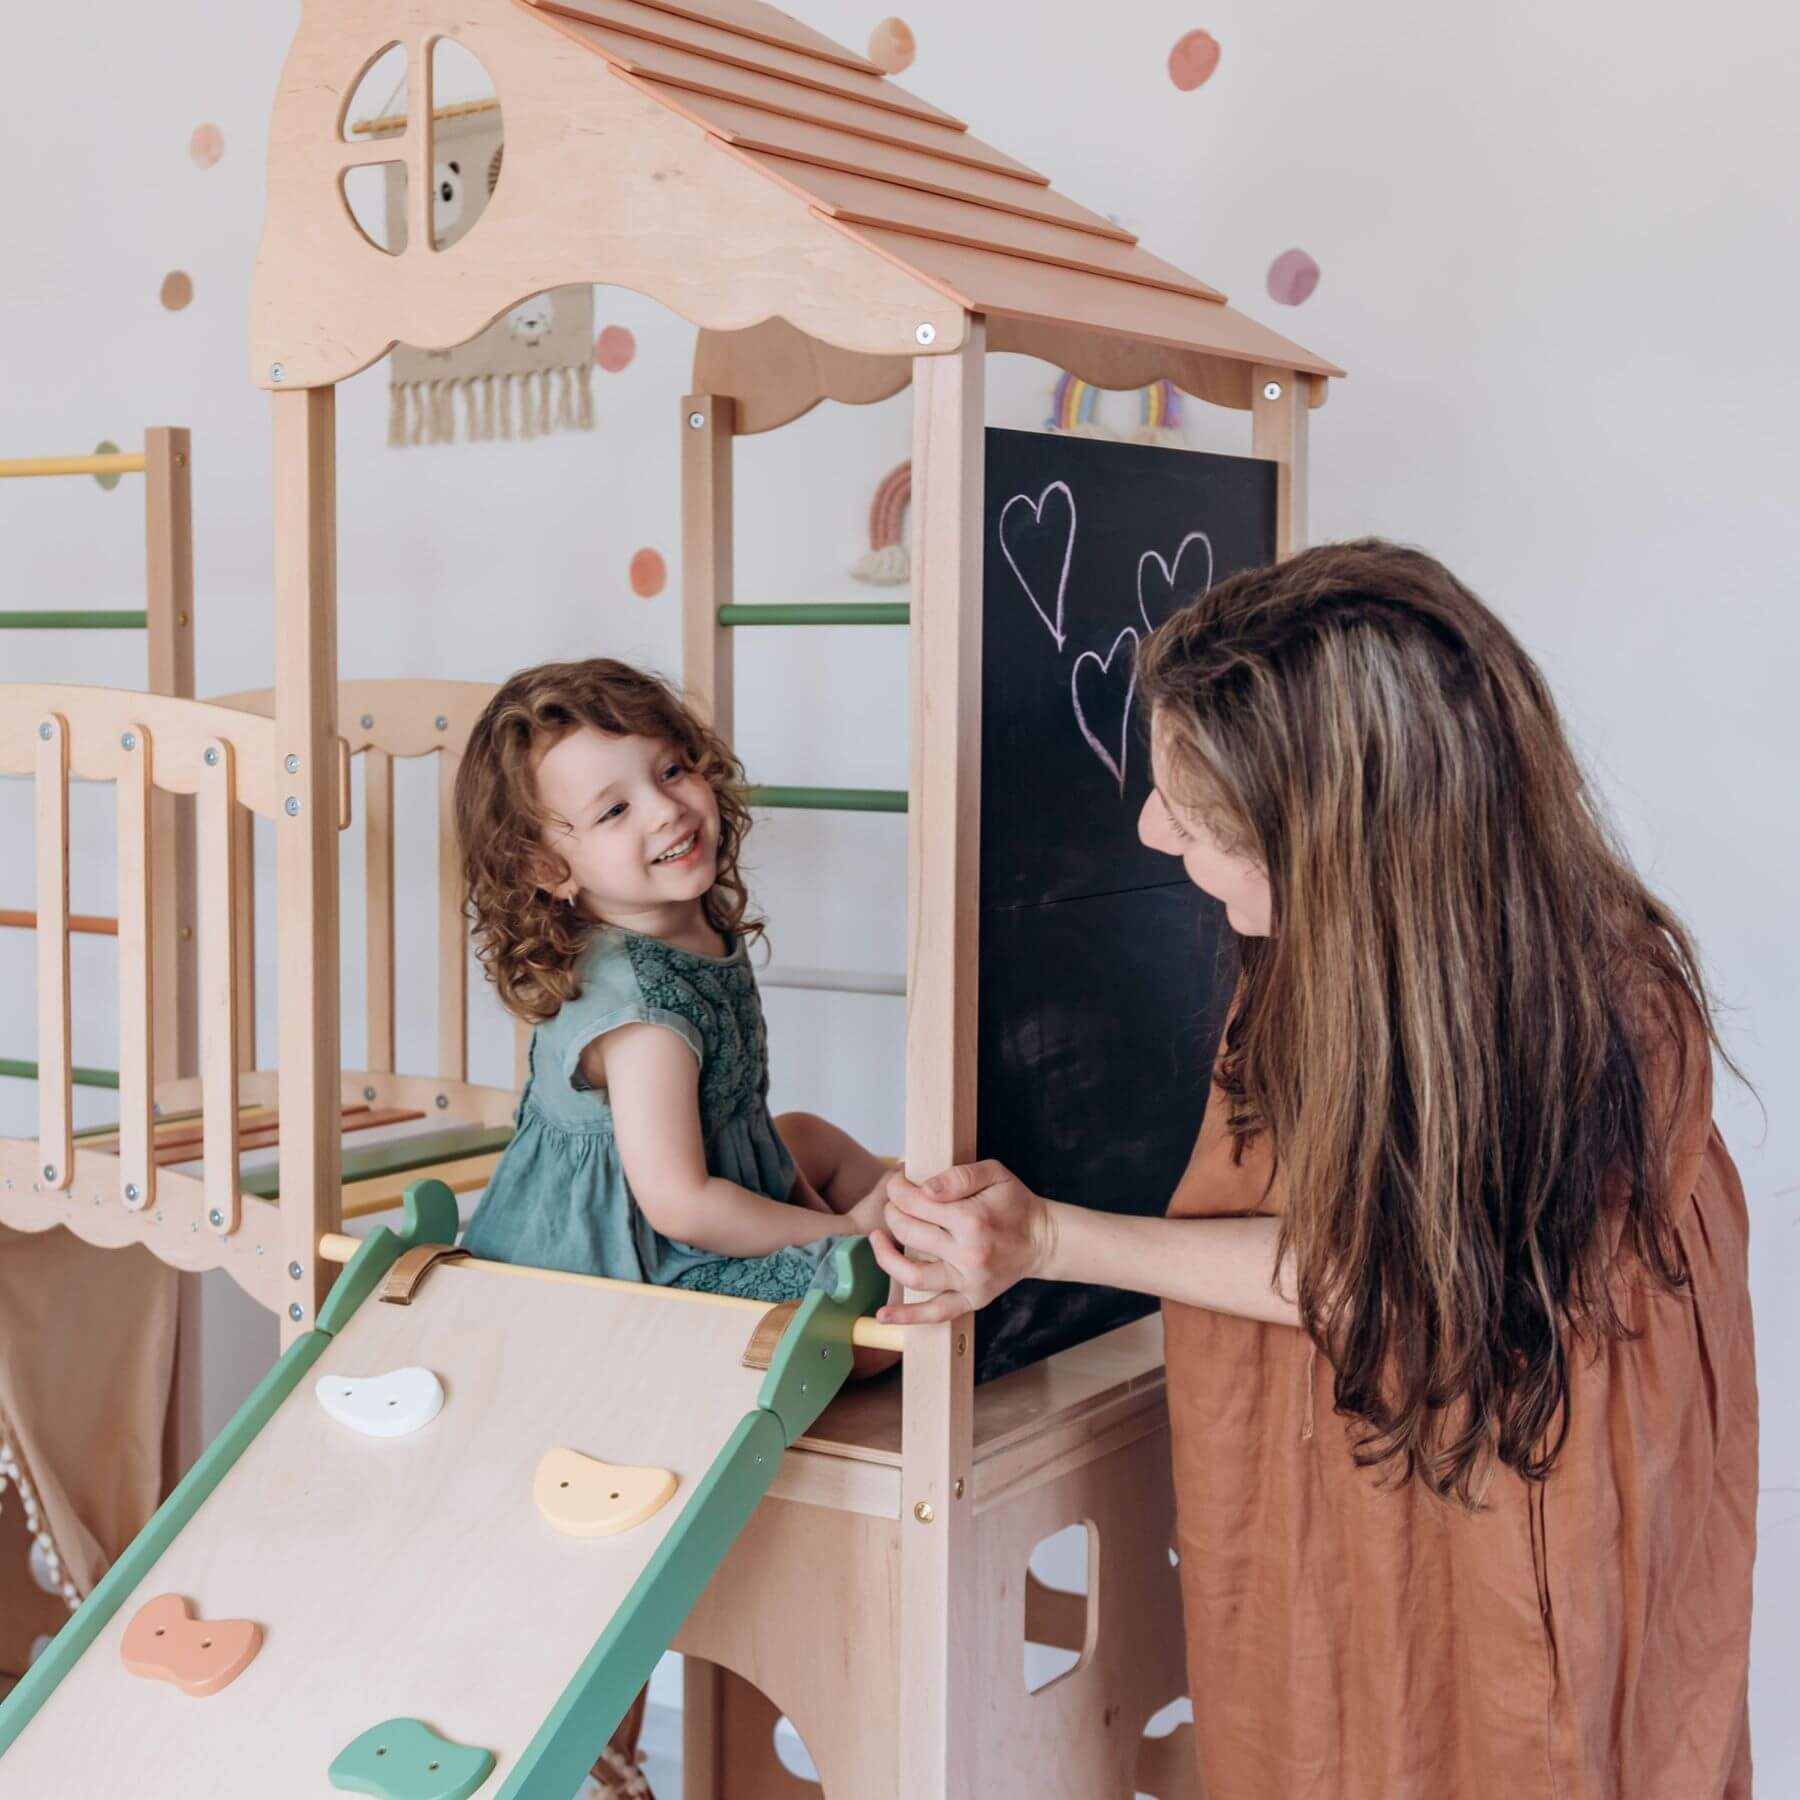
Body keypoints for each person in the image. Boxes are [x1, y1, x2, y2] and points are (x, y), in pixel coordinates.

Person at [873, 541, 1757, 1800]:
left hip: (1495, 1521)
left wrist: (1052, 1241)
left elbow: (1393, 1280)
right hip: (1357, 1497)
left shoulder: (1599, 1019)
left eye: (1193, 810)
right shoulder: (1324, 959)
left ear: (1343, 847)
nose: (1146, 825)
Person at [453, 658, 890, 1796]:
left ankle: (892, 1228)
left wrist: (822, 1200)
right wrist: (831, 1246)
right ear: (552, 867)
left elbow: (726, 1131)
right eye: (614, 809)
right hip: (622, 1282)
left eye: (672, 768)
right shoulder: (638, 1007)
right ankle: (591, 1749)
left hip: (682, 1192)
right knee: (857, 1295)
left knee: (824, 1142)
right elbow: (678, 1202)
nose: (666, 811)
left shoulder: (690, 937)